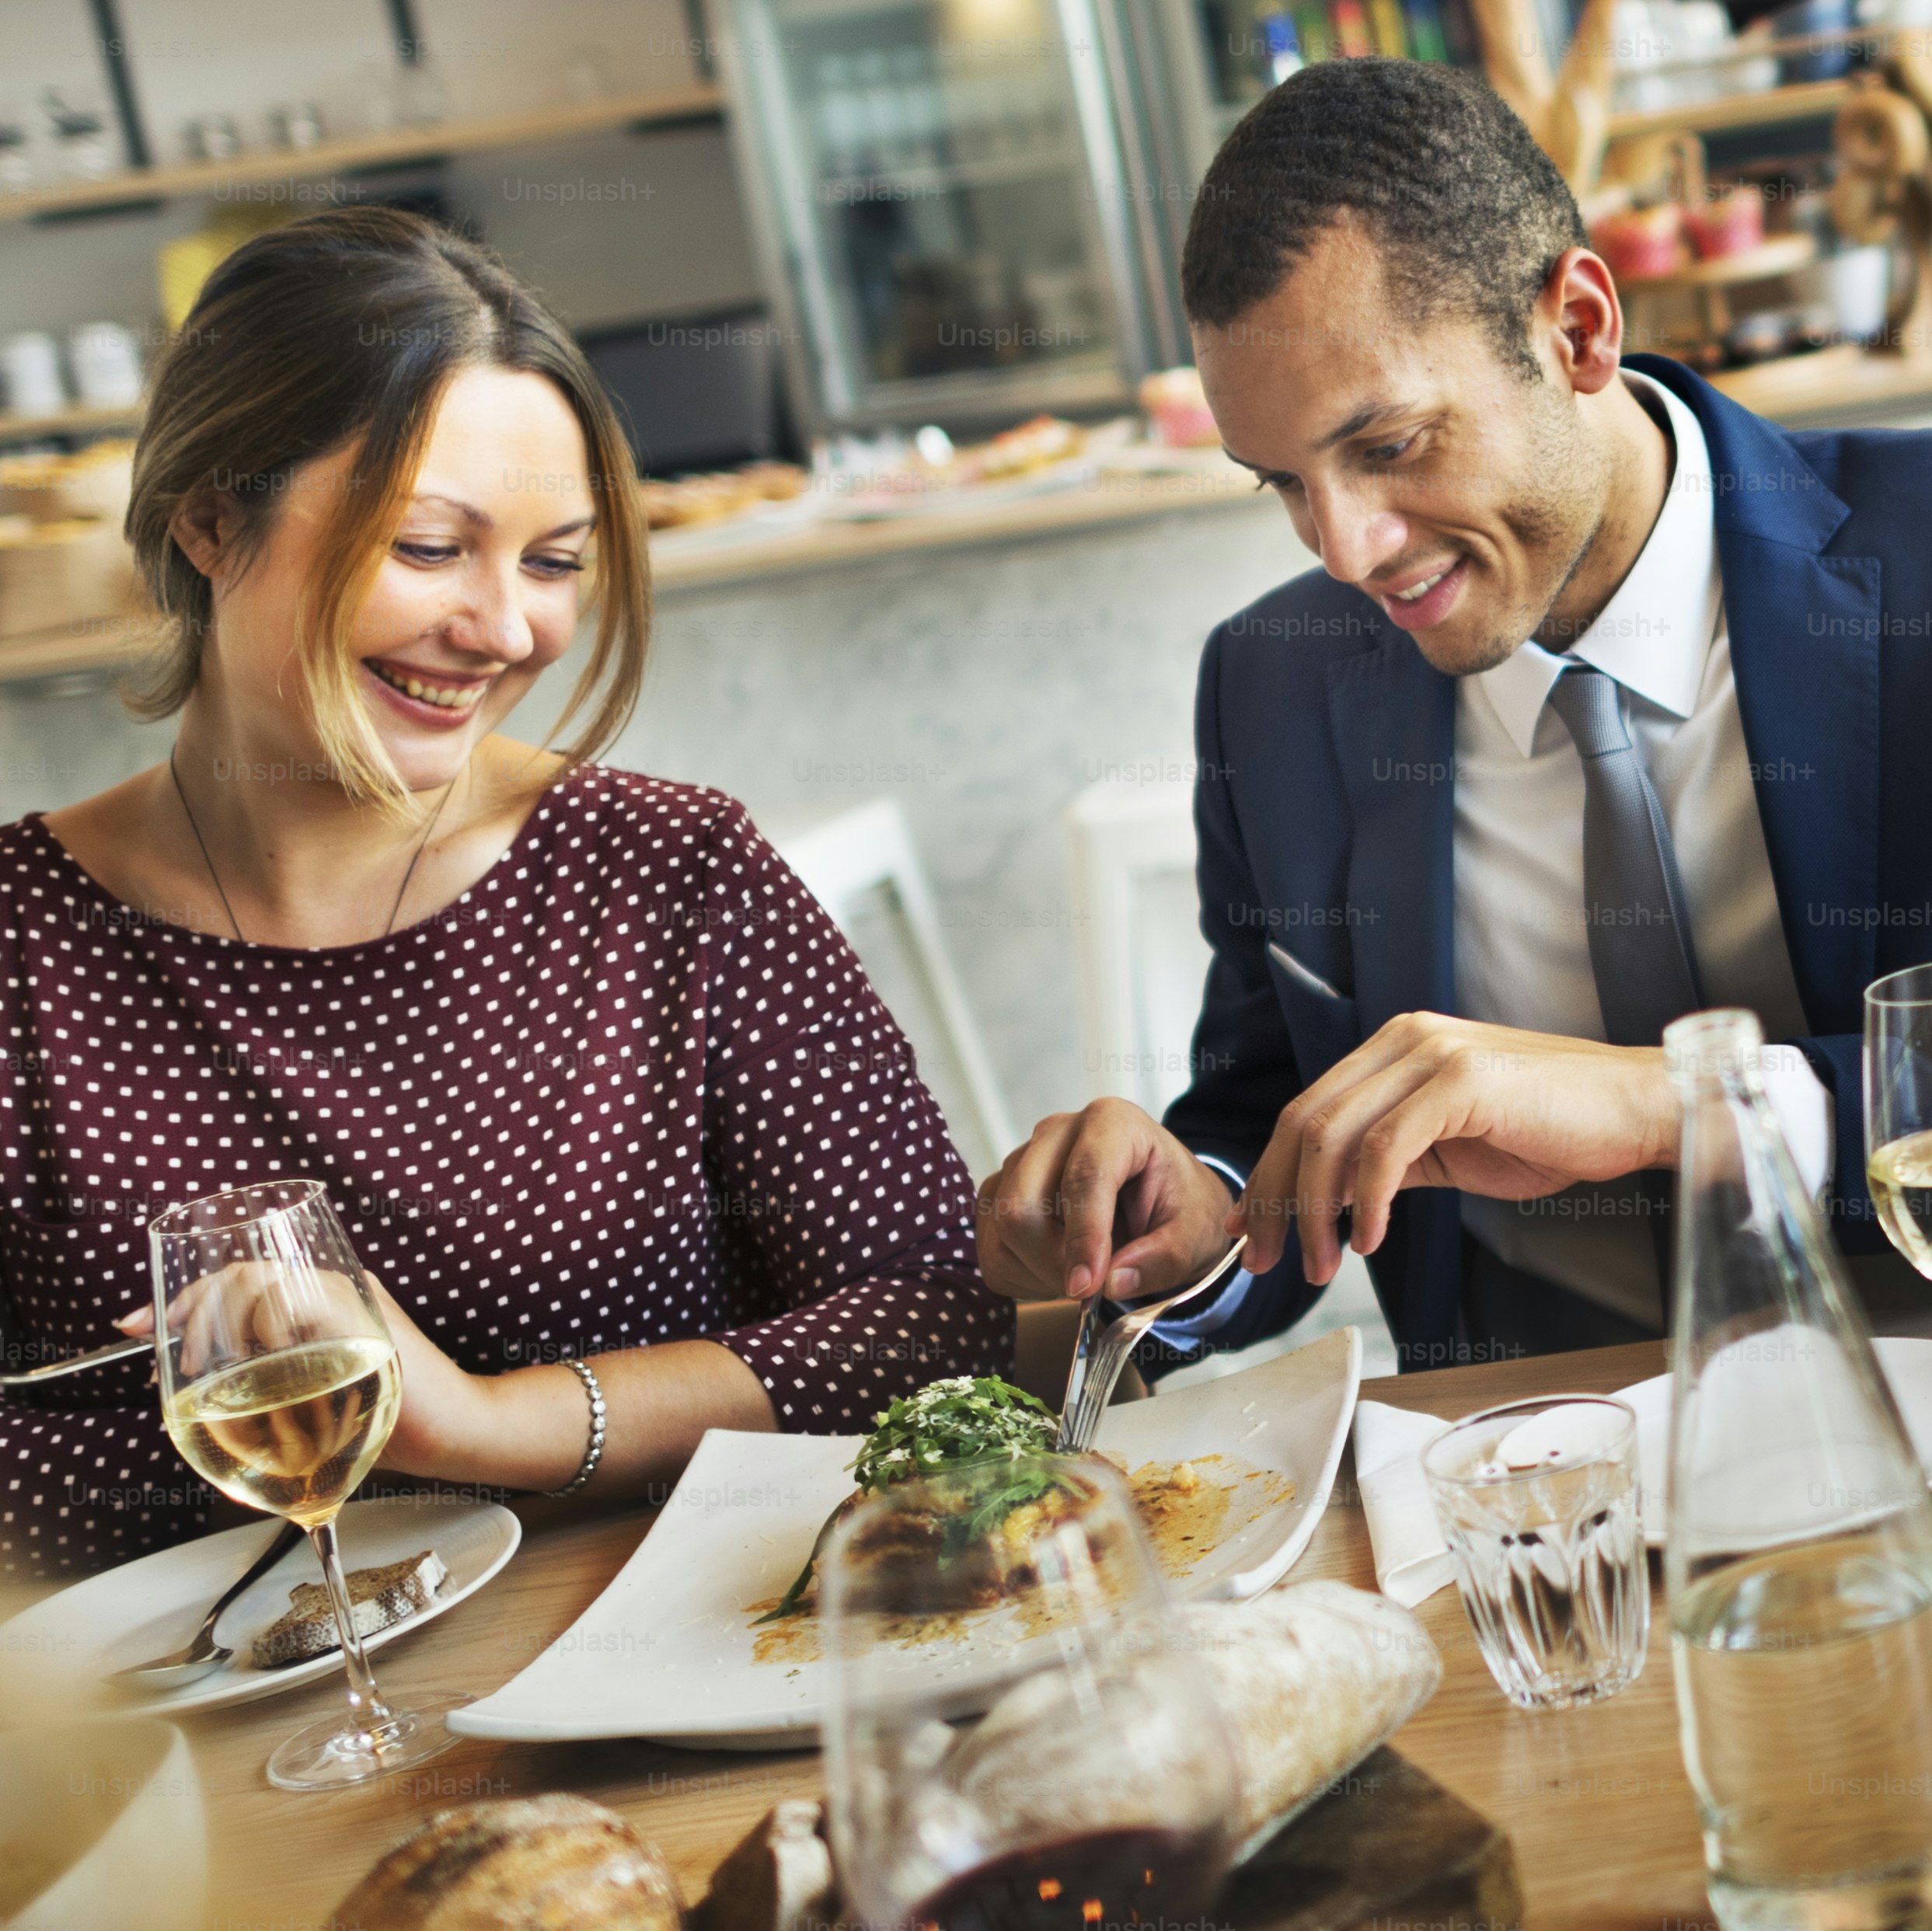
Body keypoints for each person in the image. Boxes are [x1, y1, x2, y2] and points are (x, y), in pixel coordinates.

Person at [0, 207, 1009, 1581]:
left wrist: (484, 1423)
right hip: (216, 1749)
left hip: (683, 1668)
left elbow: (933, 1329)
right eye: (426, 548)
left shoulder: (671, 876)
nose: (503, 627)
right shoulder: (21, 946)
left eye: (552, 562)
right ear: (210, 522)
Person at [978, 58, 1930, 1368]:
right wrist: (1187, 1210)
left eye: (1388, 445)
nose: (1345, 551)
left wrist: (1670, 1103)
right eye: (1281, 483)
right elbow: (1270, 1119)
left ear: (1577, 329)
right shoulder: (1274, 685)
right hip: (1520, 1463)